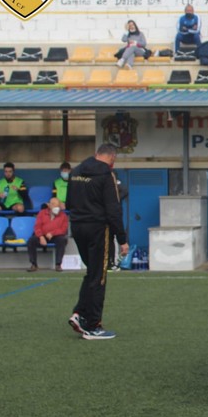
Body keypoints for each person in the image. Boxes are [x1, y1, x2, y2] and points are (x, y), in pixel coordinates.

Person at [67, 143, 128, 340]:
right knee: (99, 277)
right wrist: (122, 239)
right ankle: (93, 325)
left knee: (91, 273)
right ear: (112, 159)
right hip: (97, 229)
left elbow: (68, 202)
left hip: (77, 227)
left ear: (96, 154)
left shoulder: (76, 172)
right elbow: (113, 209)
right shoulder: (106, 174)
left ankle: (79, 313)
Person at [26, 197, 69, 272]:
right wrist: (41, 236)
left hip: (55, 236)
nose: (53, 206)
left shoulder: (63, 216)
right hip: (43, 235)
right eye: (52, 204)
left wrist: (53, 233)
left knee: (62, 240)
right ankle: (34, 264)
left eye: (55, 204)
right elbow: (37, 226)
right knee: (31, 241)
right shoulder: (42, 213)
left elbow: (63, 229)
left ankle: (58, 264)